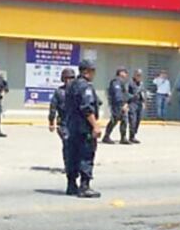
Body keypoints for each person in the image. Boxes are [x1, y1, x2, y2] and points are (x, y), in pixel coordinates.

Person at [66, 59, 103, 198]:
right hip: (84, 128)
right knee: (86, 155)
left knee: (72, 155)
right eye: (93, 71)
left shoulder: (71, 85)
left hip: (72, 127)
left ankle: (71, 185)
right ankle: (84, 186)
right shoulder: (85, 87)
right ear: (87, 71)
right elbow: (86, 108)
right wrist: (95, 125)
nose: (94, 74)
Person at [48, 67, 77, 181]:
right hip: (63, 123)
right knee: (67, 144)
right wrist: (51, 122)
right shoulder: (59, 92)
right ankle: (68, 165)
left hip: (75, 123)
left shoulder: (78, 90)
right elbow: (53, 108)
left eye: (71, 78)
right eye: (66, 78)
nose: (69, 80)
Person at [102, 67, 130, 145]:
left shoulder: (121, 82)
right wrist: (122, 104)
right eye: (125, 72)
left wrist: (126, 103)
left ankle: (123, 138)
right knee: (114, 120)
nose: (126, 74)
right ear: (120, 73)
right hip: (117, 105)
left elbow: (124, 94)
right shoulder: (116, 82)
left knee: (124, 120)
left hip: (122, 104)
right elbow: (118, 95)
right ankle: (106, 136)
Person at [127, 69, 147, 143]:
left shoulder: (141, 84)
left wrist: (144, 101)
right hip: (132, 103)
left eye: (140, 75)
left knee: (138, 120)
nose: (139, 77)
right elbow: (126, 93)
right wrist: (131, 97)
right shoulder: (130, 83)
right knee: (133, 120)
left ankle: (134, 134)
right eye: (138, 75)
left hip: (139, 103)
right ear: (134, 75)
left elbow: (143, 92)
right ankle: (131, 137)